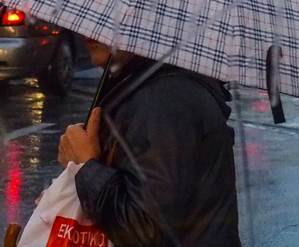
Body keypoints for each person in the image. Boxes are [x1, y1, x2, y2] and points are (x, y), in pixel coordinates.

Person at [57, 38, 242, 247]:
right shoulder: (146, 85)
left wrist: (86, 166)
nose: (90, 33)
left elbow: (146, 231)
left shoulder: (163, 99)